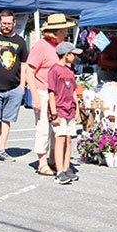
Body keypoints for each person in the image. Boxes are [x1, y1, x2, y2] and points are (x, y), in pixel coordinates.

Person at [26, 13, 74, 176]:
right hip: (43, 91)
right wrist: (35, 96)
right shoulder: (41, 46)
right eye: (63, 31)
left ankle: (55, 159)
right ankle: (42, 161)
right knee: (43, 128)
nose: (65, 34)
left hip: (59, 94)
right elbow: (29, 70)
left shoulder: (60, 48)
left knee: (57, 128)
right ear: (54, 32)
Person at [0, 10, 28, 162]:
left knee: (7, 120)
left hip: (14, 88)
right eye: (4, 23)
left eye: (9, 23)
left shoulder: (20, 41)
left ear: (14, 23)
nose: (7, 26)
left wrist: (22, 86)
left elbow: (23, 64)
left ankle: (1, 149)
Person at [49, 41, 81, 185]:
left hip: (70, 109)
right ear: (66, 55)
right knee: (60, 138)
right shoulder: (54, 70)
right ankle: (59, 170)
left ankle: (67, 167)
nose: (74, 57)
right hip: (60, 110)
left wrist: (77, 109)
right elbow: (51, 93)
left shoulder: (70, 71)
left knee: (68, 139)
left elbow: (74, 91)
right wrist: (54, 113)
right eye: (73, 54)